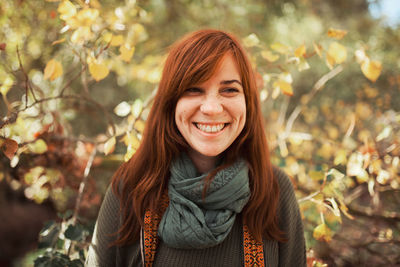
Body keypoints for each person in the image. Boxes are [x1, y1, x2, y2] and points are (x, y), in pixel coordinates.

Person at [86, 29, 306, 267]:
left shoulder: (274, 190)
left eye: (229, 90)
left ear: (248, 102)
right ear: (171, 102)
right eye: (193, 89)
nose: (211, 107)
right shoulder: (132, 189)